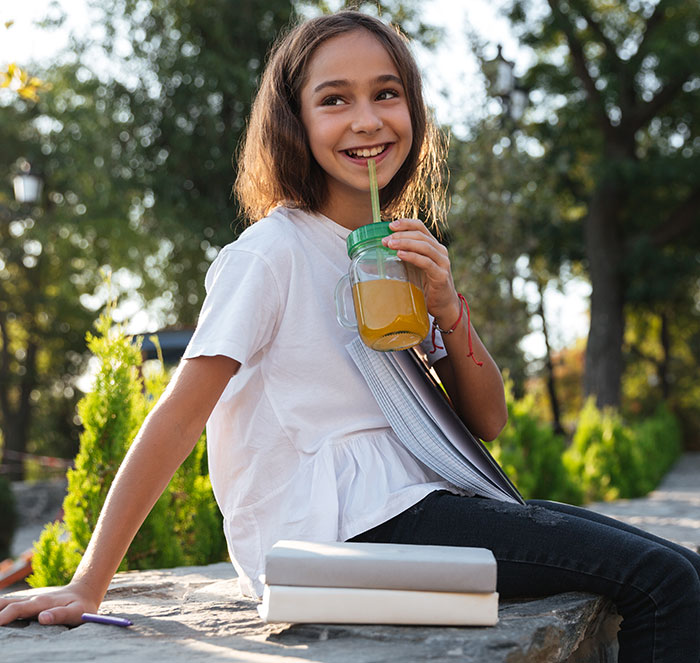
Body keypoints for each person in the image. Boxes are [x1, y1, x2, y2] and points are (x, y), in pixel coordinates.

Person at [1, 10, 698, 662]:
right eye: (335, 100)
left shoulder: (388, 252)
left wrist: (449, 306)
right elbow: (181, 411)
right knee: (665, 580)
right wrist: (89, 582)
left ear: (413, 111)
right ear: (294, 121)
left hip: (419, 503)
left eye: (387, 94)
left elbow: (486, 421)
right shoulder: (270, 252)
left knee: (686, 567)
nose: (367, 120)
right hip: (337, 529)